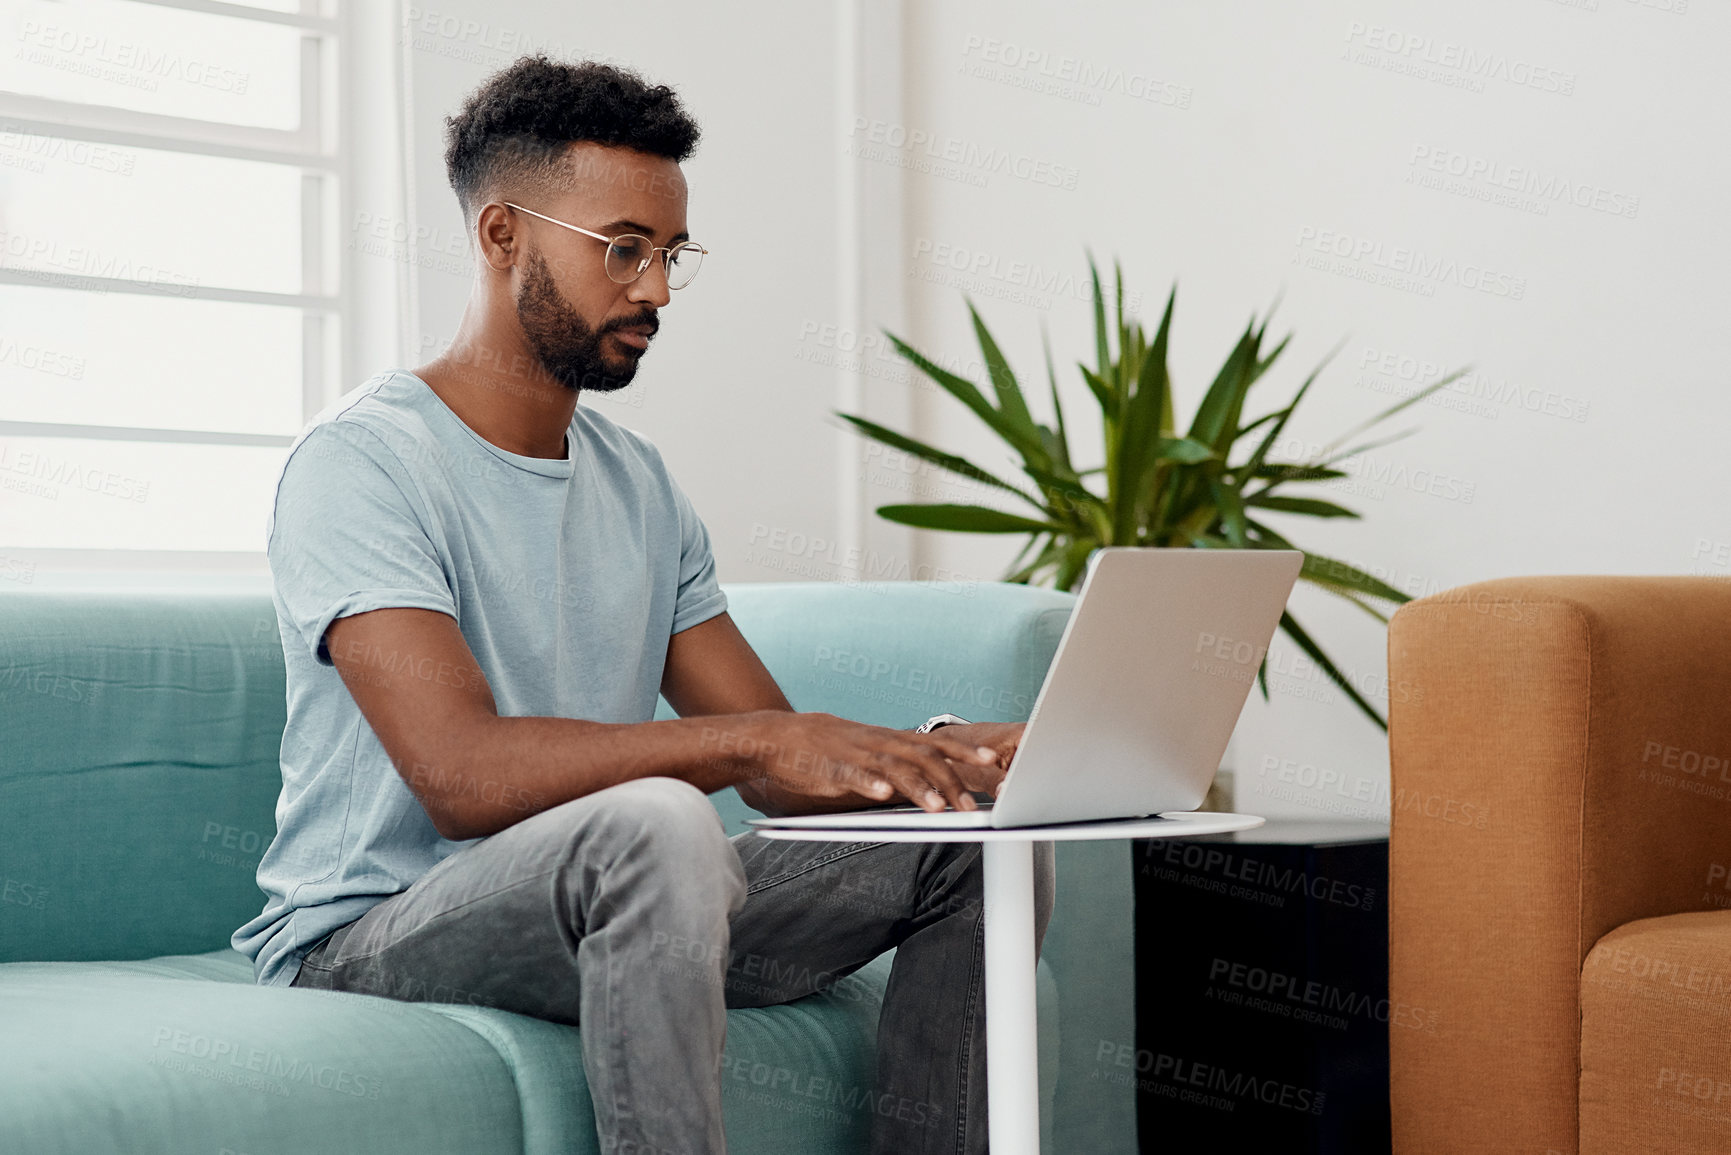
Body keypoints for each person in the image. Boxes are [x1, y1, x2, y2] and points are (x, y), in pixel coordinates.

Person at [232, 53, 1055, 1155]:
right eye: (622, 249)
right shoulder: (364, 465)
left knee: (975, 840)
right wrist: (753, 743)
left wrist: (933, 762)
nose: (656, 290)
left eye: (671, 255)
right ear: (501, 236)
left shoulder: (639, 483)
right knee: (664, 819)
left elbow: (778, 762)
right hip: (374, 934)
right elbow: (460, 776)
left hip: (627, 890)